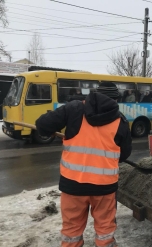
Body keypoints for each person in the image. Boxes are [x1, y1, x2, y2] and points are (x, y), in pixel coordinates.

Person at [35, 82, 132, 247]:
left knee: (71, 232)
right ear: (116, 99)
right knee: (105, 231)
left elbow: (42, 125)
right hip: (104, 188)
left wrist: (54, 129)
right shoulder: (120, 121)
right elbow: (124, 154)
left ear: (95, 94)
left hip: (73, 186)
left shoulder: (73, 109)